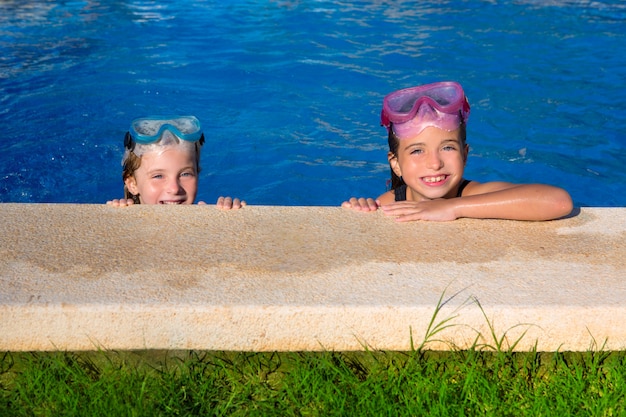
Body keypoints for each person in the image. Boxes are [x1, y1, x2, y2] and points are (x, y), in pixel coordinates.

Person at [342, 81, 573, 221]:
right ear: (395, 163)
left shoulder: (473, 194)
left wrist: (452, 208)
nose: (434, 163)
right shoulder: (392, 202)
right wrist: (362, 209)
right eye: (416, 151)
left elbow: (558, 202)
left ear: (465, 154)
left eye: (447, 147)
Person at [107, 115, 245, 209]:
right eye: (158, 176)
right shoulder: (128, 217)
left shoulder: (202, 220)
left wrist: (228, 218)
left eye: (185, 174)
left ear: (197, 173)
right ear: (132, 184)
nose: (174, 188)